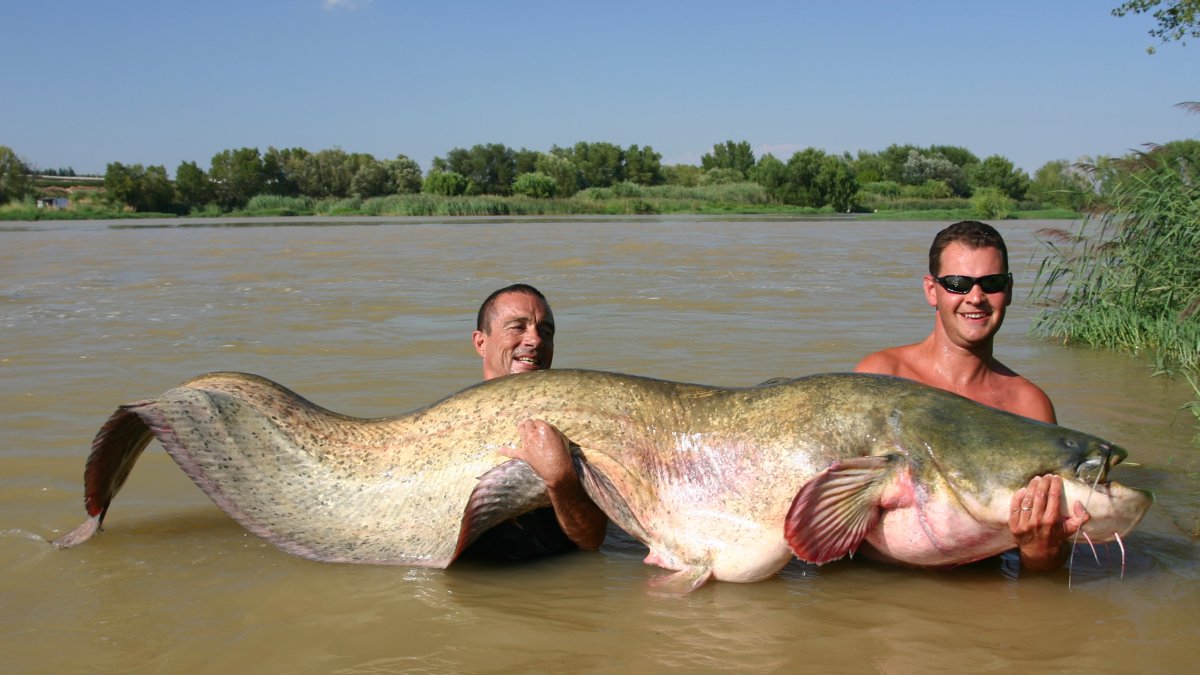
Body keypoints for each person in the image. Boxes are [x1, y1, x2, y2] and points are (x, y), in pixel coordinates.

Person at [854, 221, 1088, 572]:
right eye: (958, 284)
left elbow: (1045, 568)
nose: (975, 297)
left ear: (1008, 290)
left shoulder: (1028, 404)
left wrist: (1040, 551)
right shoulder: (882, 374)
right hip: (870, 584)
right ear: (932, 290)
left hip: (979, 584)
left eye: (990, 284)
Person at [464, 283, 607, 559]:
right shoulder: (447, 426)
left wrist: (561, 478)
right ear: (481, 343)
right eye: (518, 327)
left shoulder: (572, 429)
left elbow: (592, 541)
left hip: (554, 588)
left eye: (546, 332)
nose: (535, 340)